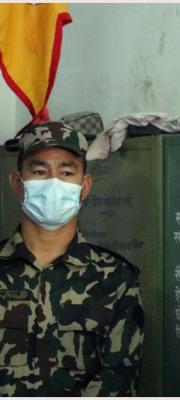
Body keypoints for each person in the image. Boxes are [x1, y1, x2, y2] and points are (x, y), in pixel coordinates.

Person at [0, 121, 144, 395]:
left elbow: (119, 377)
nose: (53, 182)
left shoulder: (115, 278)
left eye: (67, 172)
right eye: (40, 171)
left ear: (85, 186)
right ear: (17, 183)